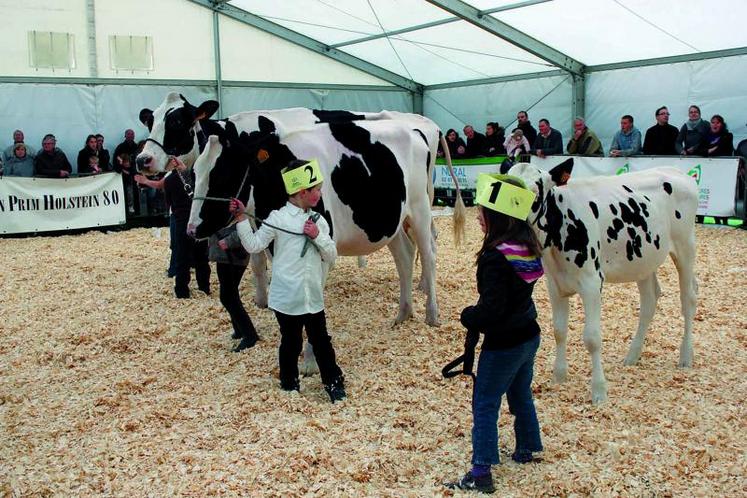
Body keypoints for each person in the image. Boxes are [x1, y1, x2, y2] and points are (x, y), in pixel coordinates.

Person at [445, 173, 544, 493]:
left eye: (482, 209)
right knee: (520, 393)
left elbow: (491, 312)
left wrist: (468, 316)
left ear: (497, 216)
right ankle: (526, 448)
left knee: (485, 402)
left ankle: (481, 472)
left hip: (503, 344)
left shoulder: (494, 257)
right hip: (529, 334)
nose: (477, 214)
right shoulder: (525, 245)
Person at [229, 159, 346, 402]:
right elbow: (254, 245)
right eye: (316, 189)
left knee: (321, 342)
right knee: (290, 342)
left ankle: (334, 382)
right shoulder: (278, 219)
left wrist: (317, 237)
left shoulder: (318, 221)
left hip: (312, 296)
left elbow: (332, 255)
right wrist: (241, 219)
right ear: (302, 192)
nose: (319, 193)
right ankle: (289, 383)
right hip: (286, 298)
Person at [163, 157, 210, 298]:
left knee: (181, 257)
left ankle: (181, 290)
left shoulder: (168, 181)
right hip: (197, 220)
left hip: (180, 221)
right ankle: (204, 287)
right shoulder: (196, 178)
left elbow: (168, 202)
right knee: (201, 256)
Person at [208, 224, 260, 352]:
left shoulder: (235, 205)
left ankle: (250, 335)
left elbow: (248, 226)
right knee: (230, 293)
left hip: (232, 254)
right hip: (228, 254)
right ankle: (240, 330)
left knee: (227, 296)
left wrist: (228, 241)